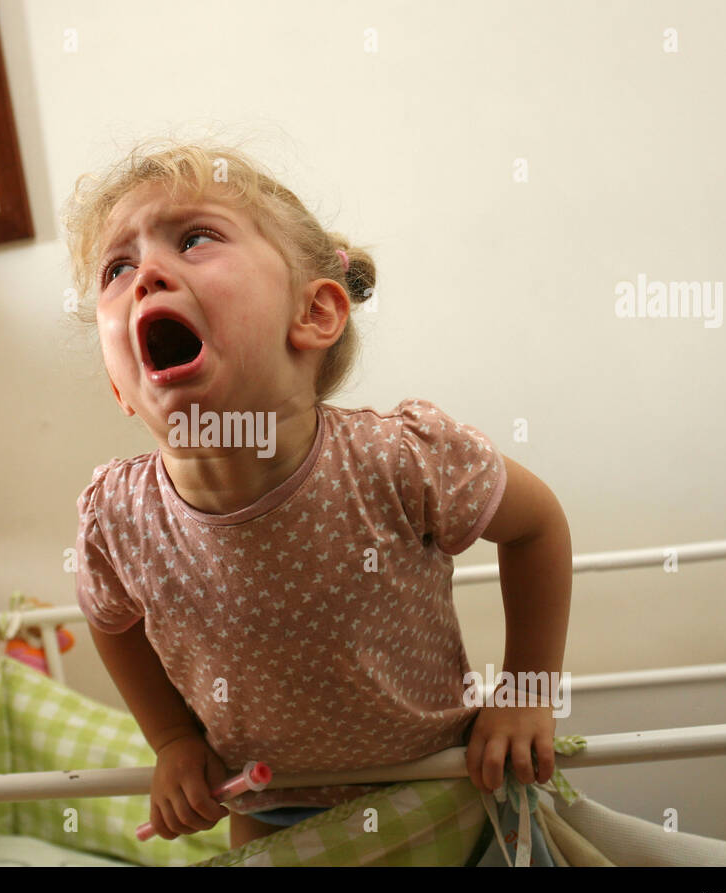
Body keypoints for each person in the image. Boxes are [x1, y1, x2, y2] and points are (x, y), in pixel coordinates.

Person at [64, 138, 573, 853]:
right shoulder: (117, 520)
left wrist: (525, 693)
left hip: (446, 792)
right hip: (268, 811)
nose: (146, 274)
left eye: (195, 239)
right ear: (122, 386)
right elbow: (109, 619)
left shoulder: (398, 461)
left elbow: (537, 526)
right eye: (116, 268)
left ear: (316, 314)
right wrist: (174, 738)